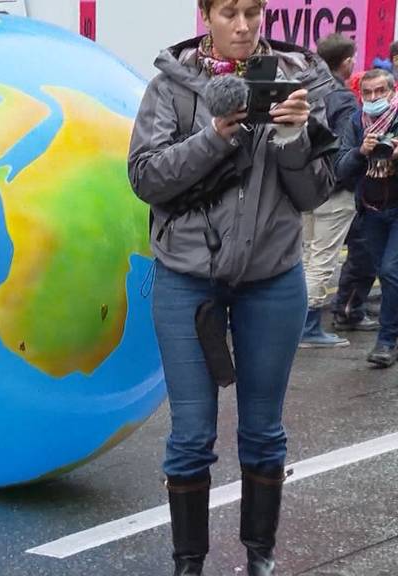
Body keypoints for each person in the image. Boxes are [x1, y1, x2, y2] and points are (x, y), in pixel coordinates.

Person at [128, 0, 336, 574]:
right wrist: (216, 137)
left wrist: (294, 137)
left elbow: (313, 194)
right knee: (191, 434)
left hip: (271, 280)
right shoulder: (171, 87)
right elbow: (146, 178)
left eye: (252, 11)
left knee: (263, 429)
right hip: (187, 281)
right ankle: (188, 563)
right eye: (228, 12)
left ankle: (259, 559)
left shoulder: (299, 81)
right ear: (205, 14)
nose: (242, 26)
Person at [299, 33, 360, 348]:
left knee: (307, 256)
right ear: (346, 61)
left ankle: (297, 325)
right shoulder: (344, 98)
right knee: (323, 260)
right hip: (334, 188)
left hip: (305, 184)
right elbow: (346, 144)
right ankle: (307, 329)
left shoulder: (307, 89)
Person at [336, 69, 398, 368]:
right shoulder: (356, 122)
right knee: (383, 273)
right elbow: (341, 167)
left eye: (379, 92)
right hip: (371, 211)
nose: (373, 98)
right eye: (367, 93)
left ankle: (386, 341)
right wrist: (361, 151)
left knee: (389, 272)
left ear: (392, 90)